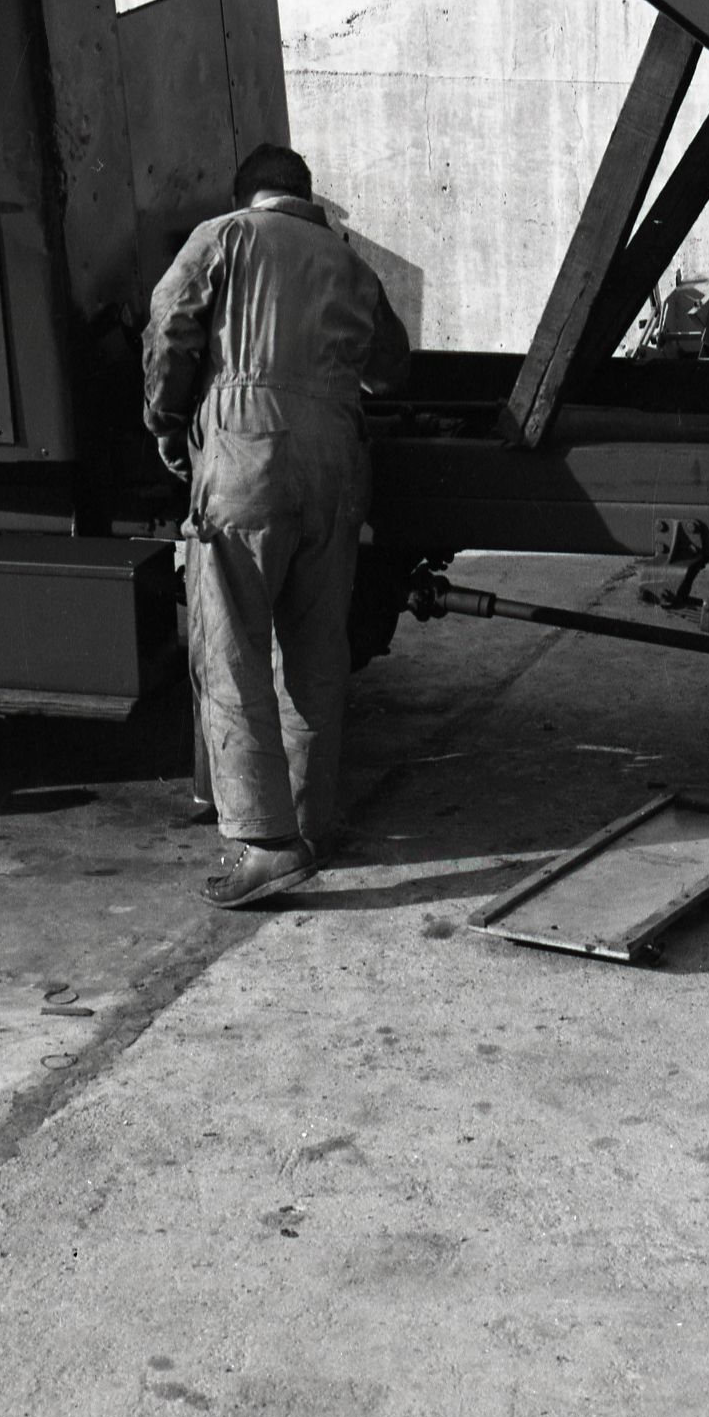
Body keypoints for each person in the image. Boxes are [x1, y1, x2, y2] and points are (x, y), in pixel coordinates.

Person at [144, 143, 410, 908]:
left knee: (231, 648)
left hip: (244, 452)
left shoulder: (221, 236)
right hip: (336, 459)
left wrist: (165, 421)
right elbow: (392, 367)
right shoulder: (349, 262)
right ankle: (309, 820)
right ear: (305, 196)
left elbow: (171, 325)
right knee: (315, 645)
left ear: (247, 195)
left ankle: (264, 842)